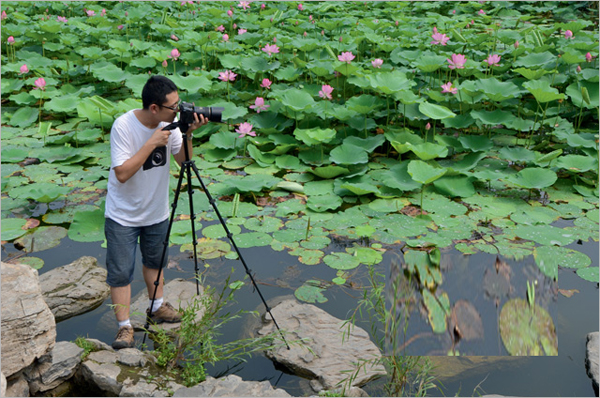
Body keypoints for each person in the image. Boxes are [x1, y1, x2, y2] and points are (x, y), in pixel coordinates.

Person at [104, 75, 208, 349]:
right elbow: (123, 173)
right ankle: (124, 327)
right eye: (173, 106)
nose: (179, 109)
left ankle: (157, 306)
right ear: (154, 108)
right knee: (120, 272)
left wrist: (187, 133)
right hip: (123, 214)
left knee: (156, 262)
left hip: (157, 211)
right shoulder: (124, 126)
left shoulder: (171, 126)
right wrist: (151, 142)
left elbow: (184, 161)